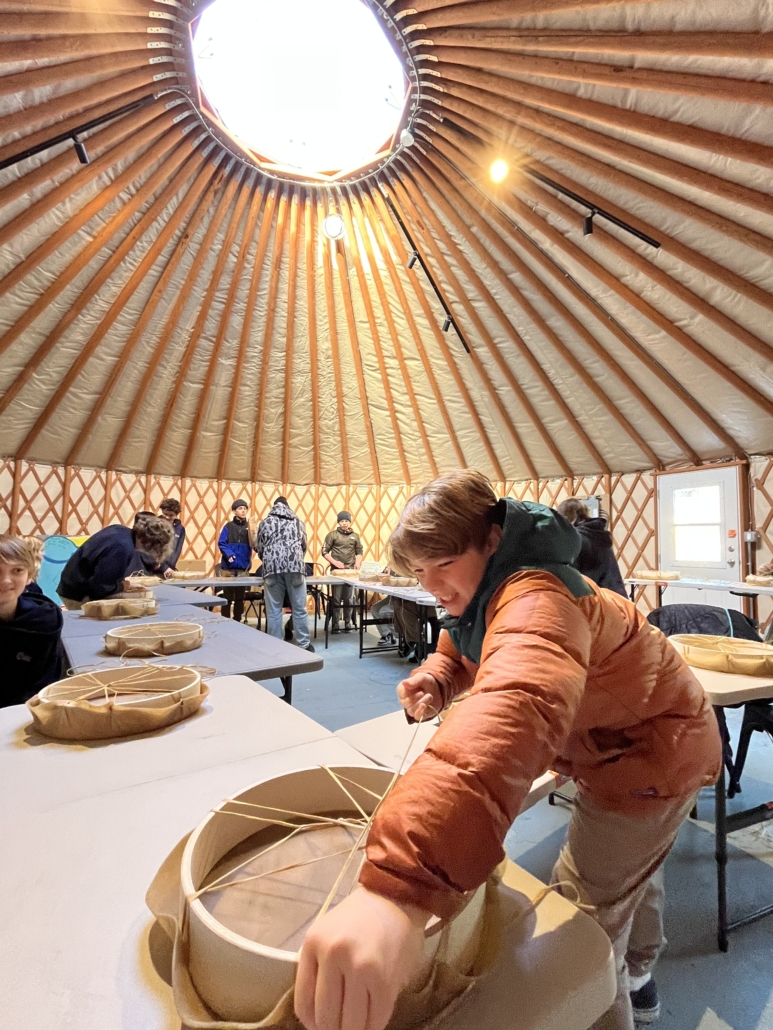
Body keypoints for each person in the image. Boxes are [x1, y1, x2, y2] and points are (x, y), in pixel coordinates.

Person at [294, 470, 721, 1030]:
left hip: (646, 757)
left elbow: (519, 700)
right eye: (421, 573)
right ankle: (642, 974)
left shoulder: (537, 595)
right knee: (632, 868)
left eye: (444, 566)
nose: (433, 587)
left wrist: (399, 888)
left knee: (584, 931)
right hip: (632, 741)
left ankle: (616, 997)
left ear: (491, 540)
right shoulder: (492, 587)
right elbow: (466, 636)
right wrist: (441, 678)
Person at [0, 535, 64, 707]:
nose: (5, 580)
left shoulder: (43, 622)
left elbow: (45, 682)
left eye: (17, 570)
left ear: (30, 576)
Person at [57, 517, 175, 609]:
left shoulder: (120, 530)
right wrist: (123, 586)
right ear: (153, 544)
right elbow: (101, 587)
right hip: (78, 594)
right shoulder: (122, 548)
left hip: (71, 584)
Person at [257, 496, 314, 652]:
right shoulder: (298, 522)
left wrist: (267, 559)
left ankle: (276, 645)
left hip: (272, 569)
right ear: (288, 507)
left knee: (274, 609)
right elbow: (304, 545)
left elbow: (259, 547)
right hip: (295, 567)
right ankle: (304, 645)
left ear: (273, 507)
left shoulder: (265, 523)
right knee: (299, 608)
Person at [557, 498, 627, 597]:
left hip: (595, 599)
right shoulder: (598, 534)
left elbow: (572, 577)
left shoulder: (577, 539)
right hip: (615, 595)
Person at [321, 511, 363, 631]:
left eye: (346, 521)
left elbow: (359, 551)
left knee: (349, 598)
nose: (344, 523)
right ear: (338, 522)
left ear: (350, 522)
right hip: (337, 572)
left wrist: (358, 562)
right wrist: (335, 563)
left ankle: (348, 622)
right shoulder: (332, 535)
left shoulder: (355, 536)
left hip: (350, 572)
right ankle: (335, 624)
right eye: (342, 521)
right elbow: (324, 552)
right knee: (337, 598)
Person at [217, 499, 256, 621]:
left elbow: (254, 543)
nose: (243, 510)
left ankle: (238, 620)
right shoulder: (228, 526)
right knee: (227, 596)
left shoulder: (250, 527)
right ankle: (225, 620)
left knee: (240, 597)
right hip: (228, 567)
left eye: (245, 508)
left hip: (243, 567)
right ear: (234, 511)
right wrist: (229, 554)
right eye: (240, 508)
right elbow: (221, 542)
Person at [158, 498, 186, 576]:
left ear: (176, 515)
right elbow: (152, 550)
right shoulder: (155, 526)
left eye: (171, 515)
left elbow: (178, 549)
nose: (167, 517)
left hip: (170, 568)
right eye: (165, 514)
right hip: (156, 567)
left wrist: (171, 567)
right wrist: (164, 567)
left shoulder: (180, 529)